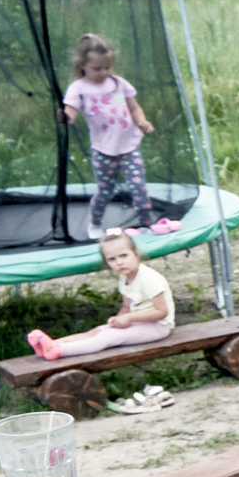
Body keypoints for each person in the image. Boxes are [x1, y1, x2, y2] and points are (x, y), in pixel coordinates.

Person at [26, 228, 172, 361]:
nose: (119, 262)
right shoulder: (125, 276)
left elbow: (162, 312)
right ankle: (51, 343)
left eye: (124, 256)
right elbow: (127, 306)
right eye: (112, 259)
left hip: (158, 326)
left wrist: (129, 318)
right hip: (139, 322)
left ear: (136, 254)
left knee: (109, 336)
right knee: (96, 332)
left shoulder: (148, 278)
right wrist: (119, 319)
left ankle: (60, 350)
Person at [62, 33, 155, 232]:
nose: (104, 72)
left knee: (139, 188)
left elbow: (134, 107)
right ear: (82, 65)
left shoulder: (118, 83)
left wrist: (142, 121)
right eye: (97, 68)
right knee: (105, 191)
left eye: (107, 67)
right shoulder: (78, 88)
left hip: (129, 147)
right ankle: (95, 224)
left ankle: (147, 224)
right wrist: (65, 116)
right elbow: (71, 111)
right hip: (103, 151)